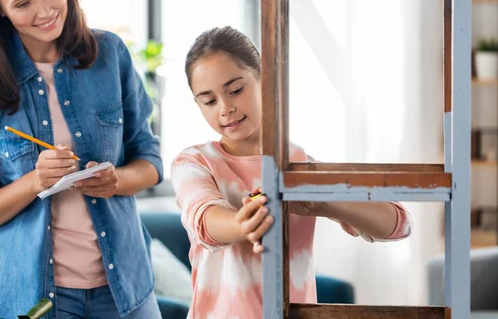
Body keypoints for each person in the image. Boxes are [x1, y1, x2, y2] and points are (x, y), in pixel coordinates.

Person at [0, 0, 164, 318]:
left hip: (124, 291)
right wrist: (35, 181)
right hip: (35, 299)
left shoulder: (109, 54)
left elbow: (149, 161)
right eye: (23, 3)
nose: (45, 12)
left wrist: (116, 182)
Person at [170, 26, 413, 318]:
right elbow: (204, 220)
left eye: (235, 90)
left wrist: (323, 201)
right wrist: (243, 225)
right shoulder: (193, 162)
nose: (225, 108)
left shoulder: (298, 163)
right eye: (209, 101)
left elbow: (398, 224)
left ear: (265, 81)